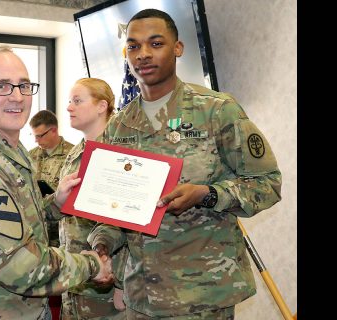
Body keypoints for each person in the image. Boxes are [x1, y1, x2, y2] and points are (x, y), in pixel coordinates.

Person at [87, 8, 282, 319]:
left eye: (156, 43)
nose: (143, 55)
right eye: (134, 46)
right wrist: (101, 243)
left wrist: (206, 193)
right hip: (142, 296)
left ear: (177, 48)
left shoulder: (217, 111)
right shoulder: (118, 126)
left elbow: (267, 183)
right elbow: (114, 208)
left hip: (203, 294)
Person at [0, 45, 113, 320]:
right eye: (1, 86)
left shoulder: (8, 151)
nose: (17, 96)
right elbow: (22, 267)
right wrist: (92, 265)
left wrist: (54, 205)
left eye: (24, 85)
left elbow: (17, 223)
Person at [58, 78, 128, 320]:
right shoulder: (74, 154)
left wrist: (121, 284)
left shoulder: (121, 154)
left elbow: (130, 224)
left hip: (106, 288)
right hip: (75, 281)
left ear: (101, 106)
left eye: (77, 101)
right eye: (69, 101)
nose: (69, 107)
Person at [29, 109, 74, 247]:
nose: (36, 140)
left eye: (40, 136)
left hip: (62, 233)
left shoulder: (72, 155)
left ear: (53, 130)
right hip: (37, 231)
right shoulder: (29, 156)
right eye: (34, 135)